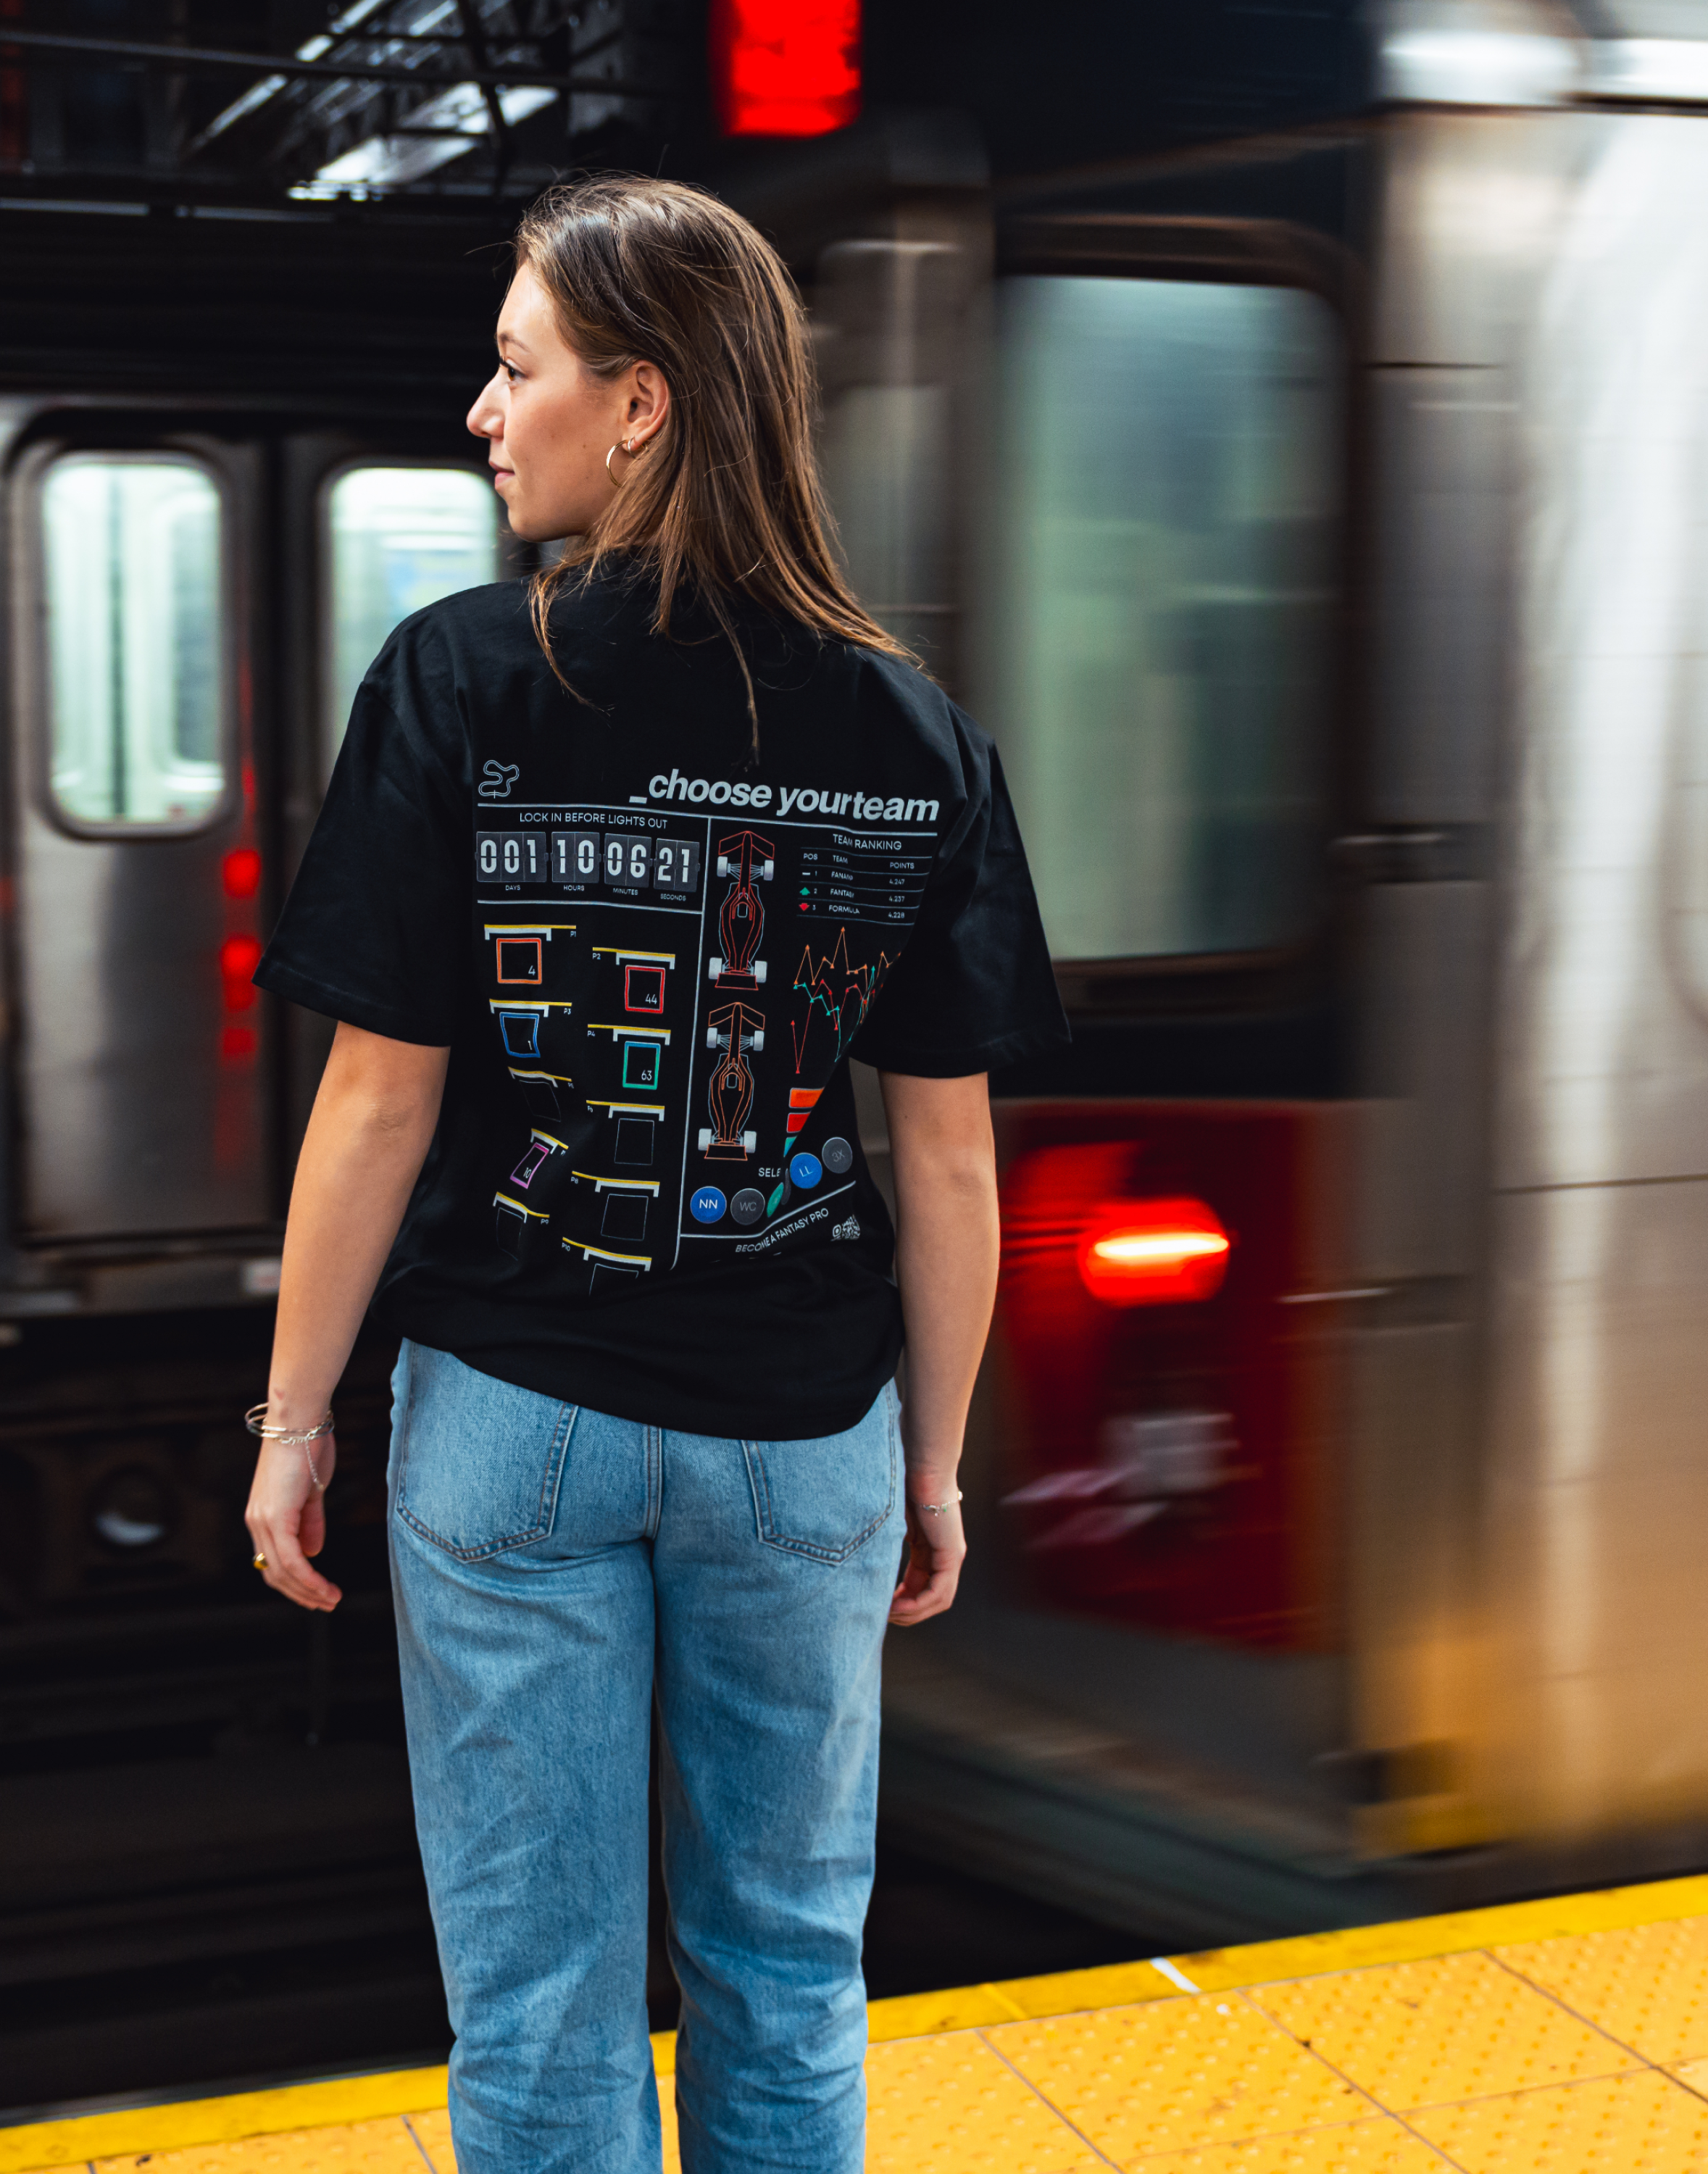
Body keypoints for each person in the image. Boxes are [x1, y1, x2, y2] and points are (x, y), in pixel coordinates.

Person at [244, 176, 1065, 2174]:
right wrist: (932, 1464)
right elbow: (947, 1161)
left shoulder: (459, 679)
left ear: (639, 404)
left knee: (540, 1994)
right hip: (803, 1436)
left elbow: (376, 1106)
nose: (480, 410)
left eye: (516, 366)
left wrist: (292, 1421)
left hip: (514, 1424)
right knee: (785, 1966)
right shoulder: (916, 734)